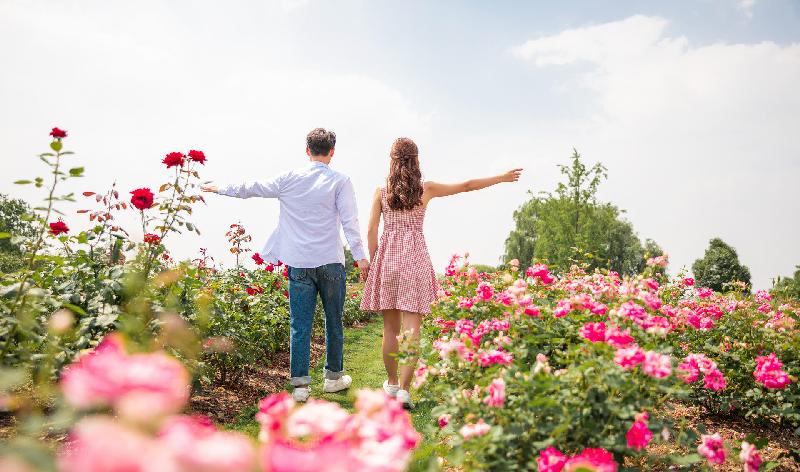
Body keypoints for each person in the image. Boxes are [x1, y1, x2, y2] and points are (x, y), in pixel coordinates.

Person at [202, 128, 369, 402]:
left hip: (299, 263)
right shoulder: (341, 181)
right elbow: (350, 223)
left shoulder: (289, 179)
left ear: (307, 150)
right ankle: (333, 379)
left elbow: (251, 188)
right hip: (330, 262)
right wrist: (361, 257)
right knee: (333, 322)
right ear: (332, 152)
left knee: (299, 324)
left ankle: (301, 387)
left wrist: (220, 188)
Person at [360, 137, 522, 408]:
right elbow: (467, 185)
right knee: (412, 329)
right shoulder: (427, 189)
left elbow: (370, 230)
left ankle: (391, 385)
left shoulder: (381, 192)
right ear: (416, 160)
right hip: (414, 259)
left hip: (387, 259)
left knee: (390, 328)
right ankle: (404, 391)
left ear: (392, 160)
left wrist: (373, 261)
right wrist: (501, 178)